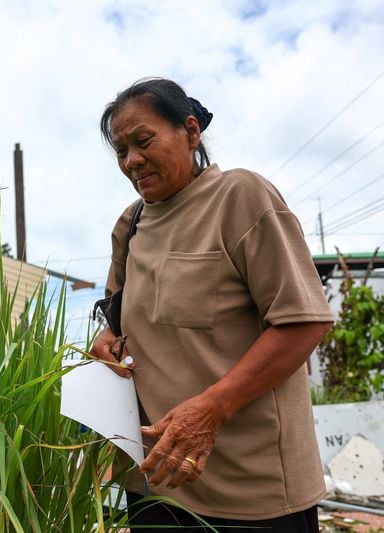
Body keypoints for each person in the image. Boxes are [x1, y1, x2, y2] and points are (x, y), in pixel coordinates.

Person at [89, 78, 334, 532]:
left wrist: (210, 409)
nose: (132, 161)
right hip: (154, 487)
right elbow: (118, 326)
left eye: (143, 142)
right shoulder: (131, 224)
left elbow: (304, 324)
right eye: (121, 152)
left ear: (190, 131)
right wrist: (105, 344)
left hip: (251, 494)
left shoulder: (241, 197)